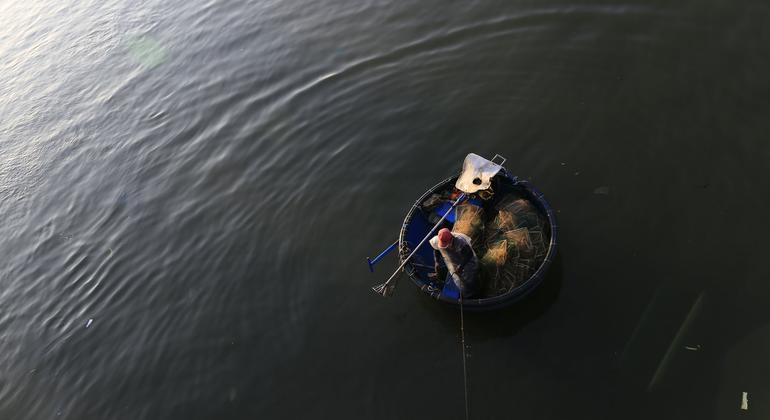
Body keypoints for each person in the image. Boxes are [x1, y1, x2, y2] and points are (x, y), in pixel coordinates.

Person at [429, 228, 480, 298]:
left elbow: (469, 254)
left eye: (446, 244)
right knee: (458, 279)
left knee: (470, 277)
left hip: (466, 261)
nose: (444, 246)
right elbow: (436, 249)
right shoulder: (437, 240)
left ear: (451, 239)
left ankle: (472, 294)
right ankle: (463, 290)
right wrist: (437, 262)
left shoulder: (460, 242)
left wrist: (461, 266)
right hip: (453, 261)